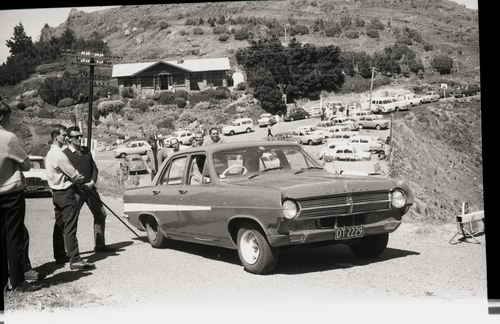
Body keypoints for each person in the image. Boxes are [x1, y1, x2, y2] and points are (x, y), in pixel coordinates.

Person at [0, 101, 41, 291]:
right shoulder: (8, 138)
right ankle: (18, 281)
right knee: (14, 237)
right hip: (10, 194)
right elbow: (26, 165)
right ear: (2, 117)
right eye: (8, 117)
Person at [45, 125, 95, 270]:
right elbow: (75, 175)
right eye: (63, 135)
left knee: (59, 224)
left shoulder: (50, 153)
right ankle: (75, 259)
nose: (65, 137)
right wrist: (82, 182)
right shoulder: (59, 155)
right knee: (70, 226)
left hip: (56, 193)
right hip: (66, 193)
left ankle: (60, 255)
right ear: (56, 137)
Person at [63, 127, 114, 253]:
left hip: (91, 190)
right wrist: (78, 185)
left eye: (80, 136)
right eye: (76, 137)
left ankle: (100, 245)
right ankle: (70, 252)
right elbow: (65, 175)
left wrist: (92, 182)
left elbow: (94, 169)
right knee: (71, 220)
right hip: (76, 192)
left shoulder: (86, 151)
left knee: (101, 214)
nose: (80, 138)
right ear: (69, 139)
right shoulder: (65, 154)